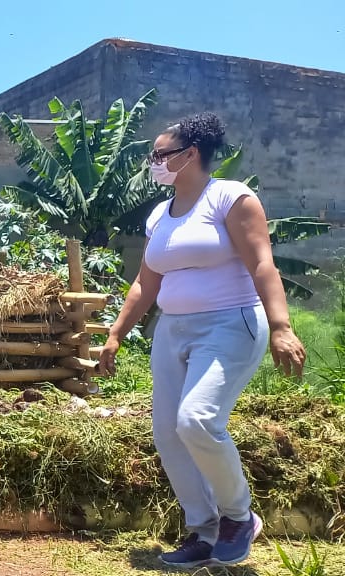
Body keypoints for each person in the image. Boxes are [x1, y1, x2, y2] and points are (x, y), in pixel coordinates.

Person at [98, 113, 305, 568]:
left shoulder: (231, 198)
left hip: (229, 324)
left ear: (190, 155)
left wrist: (281, 326)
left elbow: (263, 266)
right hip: (172, 330)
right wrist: (115, 334)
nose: (152, 162)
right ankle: (205, 533)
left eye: (160, 154)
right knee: (169, 433)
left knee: (197, 420)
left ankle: (239, 516)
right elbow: (144, 283)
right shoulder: (159, 215)